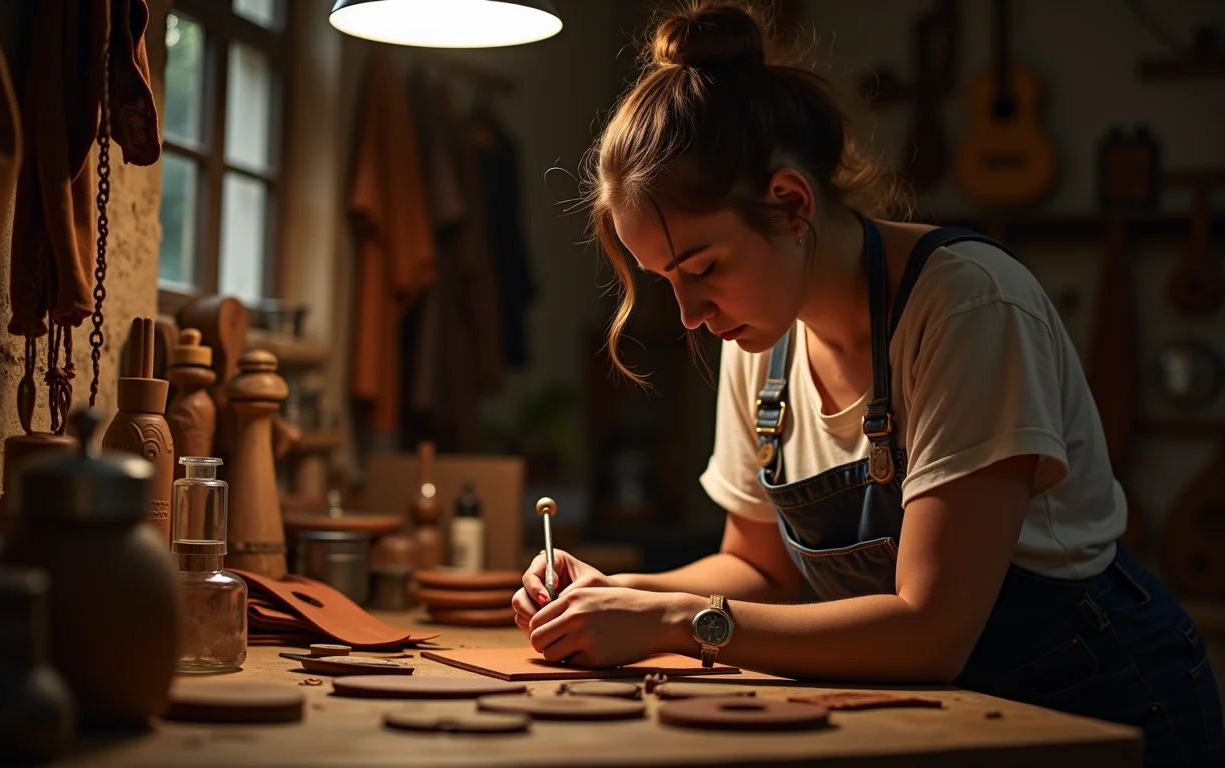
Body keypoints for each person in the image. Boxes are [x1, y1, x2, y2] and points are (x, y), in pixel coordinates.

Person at [510, 2, 1224, 764]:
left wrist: (677, 623)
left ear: (791, 204)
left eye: (703, 269)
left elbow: (930, 632)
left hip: (1099, 712)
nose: (688, 314)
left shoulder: (969, 306)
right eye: (665, 281)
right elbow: (759, 571)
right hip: (943, 721)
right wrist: (618, 594)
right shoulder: (760, 331)